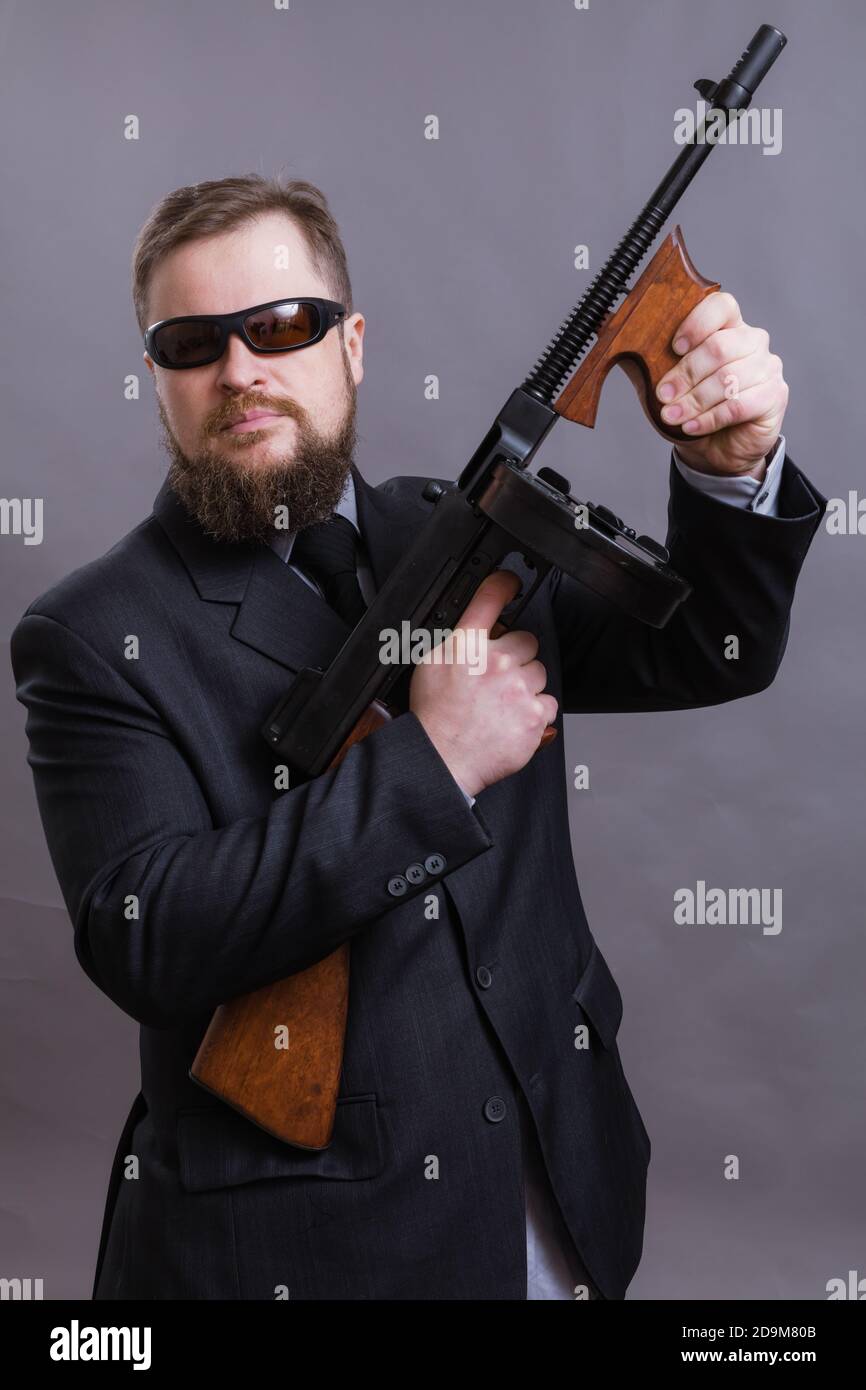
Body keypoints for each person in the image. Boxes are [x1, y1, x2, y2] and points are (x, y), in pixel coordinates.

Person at [11, 175, 825, 1300]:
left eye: (281, 326)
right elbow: (148, 935)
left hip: (559, 1199)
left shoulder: (461, 533)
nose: (240, 370)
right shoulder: (94, 633)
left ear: (351, 344)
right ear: (157, 378)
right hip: (311, 1253)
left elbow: (711, 652)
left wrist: (727, 472)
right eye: (193, 342)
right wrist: (430, 763)